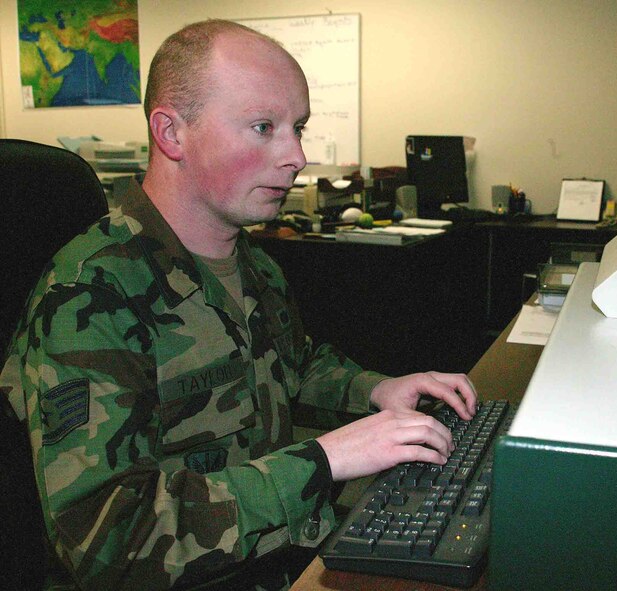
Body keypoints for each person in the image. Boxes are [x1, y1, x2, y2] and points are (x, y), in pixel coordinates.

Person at [0, 19, 477, 591]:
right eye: (262, 127)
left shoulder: (252, 262)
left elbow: (290, 368)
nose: (296, 155)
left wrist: (375, 390)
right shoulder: (89, 297)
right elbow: (108, 545)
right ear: (171, 134)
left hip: (278, 552)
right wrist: (323, 461)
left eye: (297, 127)